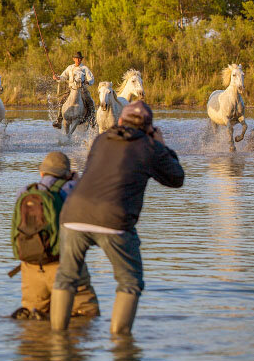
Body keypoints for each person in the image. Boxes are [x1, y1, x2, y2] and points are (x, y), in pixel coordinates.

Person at [51, 101, 184, 334]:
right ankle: (121, 345)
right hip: (114, 220)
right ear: (148, 127)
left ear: (120, 121)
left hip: (73, 215)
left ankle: (56, 339)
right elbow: (176, 178)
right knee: (130, 282)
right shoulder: (149, 146)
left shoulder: (101, 140)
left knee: (66, 279)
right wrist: (161, 144)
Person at [11, 152, 100, 320]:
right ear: (67, 173)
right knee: (86, 316)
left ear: (41, 173)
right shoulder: (73, 188)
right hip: (65, 265)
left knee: (33, 322)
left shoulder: (25, 191)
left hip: (30, 266)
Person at [52, 51, 95, 129]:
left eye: (79, 59)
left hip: (82, 89)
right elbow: (63, 77)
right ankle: (59, 121)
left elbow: (91, 79)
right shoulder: (70, 68)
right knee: (61, 101)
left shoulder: (84, 68)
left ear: (81, 59)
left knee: (90, 101)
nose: (78, 60)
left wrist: (88, 81)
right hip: (71, 88)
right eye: (76, 59)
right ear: (73, 59)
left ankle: (92, 120)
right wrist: (58, 77)